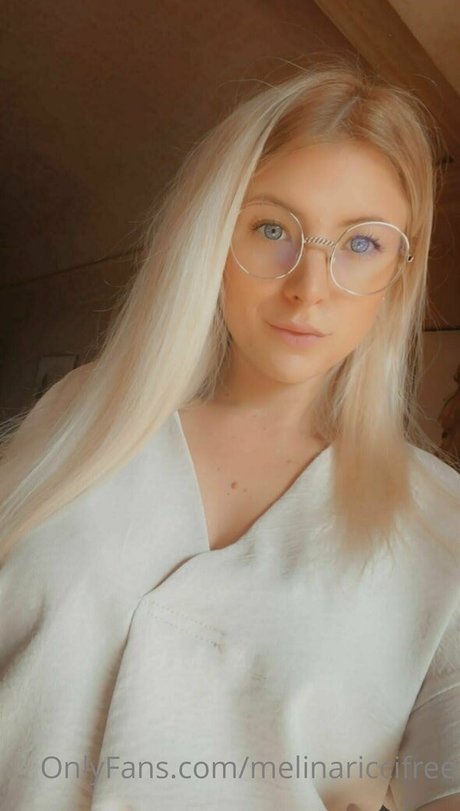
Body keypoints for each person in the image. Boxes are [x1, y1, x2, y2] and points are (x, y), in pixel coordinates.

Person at [0, 57, 459, 811]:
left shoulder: (443, 526)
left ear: (398, 275)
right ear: (215, 235)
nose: (309, 287)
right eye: (274, 228)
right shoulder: (81, 417)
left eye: (361, 244)